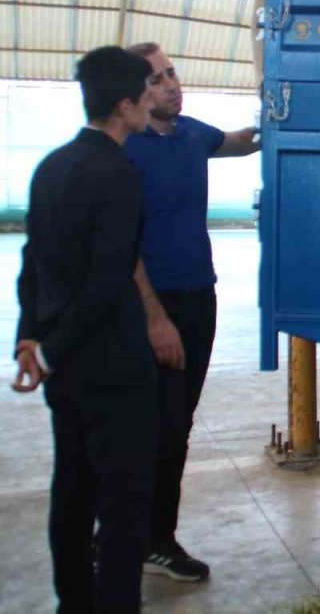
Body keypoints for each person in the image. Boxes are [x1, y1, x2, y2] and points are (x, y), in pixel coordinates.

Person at [12, 46, 157, 614]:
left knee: (70, 491)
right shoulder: (118, 174)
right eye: (144, 94)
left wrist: (34, 341)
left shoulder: (52, 166)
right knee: (122, 507)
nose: (150, 102)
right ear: (124, 105)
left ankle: (73, 602)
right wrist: (46, 351)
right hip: (115, 370)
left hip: (66, 372)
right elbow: (106, 282)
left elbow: (31, 264)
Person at [124, 42, 260, 582]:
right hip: (151, 305)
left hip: (198, 296)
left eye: (171, 72)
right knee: (152, 424)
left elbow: (238, 143)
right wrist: (154, 317)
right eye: (156, 80)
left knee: (173, 424)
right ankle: (147, 539)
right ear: (134, 94)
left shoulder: (190, 134)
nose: (171, 84)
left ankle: (136, 531)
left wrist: (276, 117)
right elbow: (122, 244)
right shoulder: (127, 151)